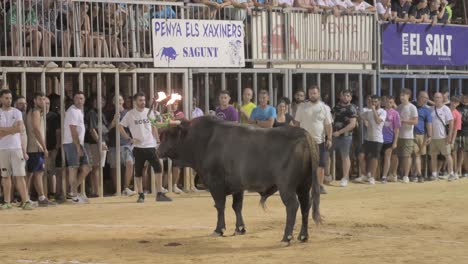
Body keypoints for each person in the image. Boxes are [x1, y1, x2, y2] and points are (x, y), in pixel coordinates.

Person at [119, 92, 172, 202]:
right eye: (140, 100)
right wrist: (129, 138)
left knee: (158, 168)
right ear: (135, 102)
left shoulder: (149, 112)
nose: (143, 102)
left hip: (150, 145)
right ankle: (141, 194)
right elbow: (120, 126)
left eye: (144, 100)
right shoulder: (130, 114)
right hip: (138, 147)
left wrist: (157, 140)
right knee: (138, 171)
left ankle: (159, 193)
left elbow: (153, 127)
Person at [0, 89, 34, 210]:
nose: (8, 100)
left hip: (16, 148)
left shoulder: (17, 112)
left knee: (20, 175)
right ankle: (7, 202)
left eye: (10, 98)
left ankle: (25, 202)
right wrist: (11, 129)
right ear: (1, 99)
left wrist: (5, 130)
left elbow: (19, 129)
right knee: (5, 176)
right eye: (6, 98)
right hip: (3, 148)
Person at [295, 85, 332, 193]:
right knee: (303, 165)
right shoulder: (302, 107)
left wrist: (329, 138)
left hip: (319, 141)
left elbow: (328, 125)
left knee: (320, 165)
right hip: (304, 141)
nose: (312, 95)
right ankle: (303, 186)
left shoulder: (324, 108)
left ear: (318, 94)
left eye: (314, 93)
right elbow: (296, 123)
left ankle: (319, 186)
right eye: (310, 93)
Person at [25, 92, 56, 206]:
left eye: (44, 99)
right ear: (35, 100)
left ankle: (30, 197)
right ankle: (35, 198)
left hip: (33, 147)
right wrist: (44, 147)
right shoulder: (36, 111)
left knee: (33, 173)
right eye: (40, 99)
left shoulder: (34, 111)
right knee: (37, 172)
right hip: (35, 147)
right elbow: (37, 130)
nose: (43, 101)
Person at [63, 91, 91, 203]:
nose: (80, 100)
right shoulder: (73, 111)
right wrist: (78, 146)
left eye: (81, 98)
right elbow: (73, 129)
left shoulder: (78, 111)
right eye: (77, 98)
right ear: (74, 100)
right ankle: (74, 196)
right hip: (72, 143)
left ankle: (72, 192)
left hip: (78, 143)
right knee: (73, 168)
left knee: (86, 168)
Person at [107, 94, 136, 196]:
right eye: (116, 100)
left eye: (120, 100)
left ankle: (126, 188)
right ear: (113, 102)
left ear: (123, 101)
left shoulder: (128, 113)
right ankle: (117, 190)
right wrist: (113, 121)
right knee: (114, 167)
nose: (118, 102)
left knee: (129, 163)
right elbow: (106, 129)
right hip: (113, 144)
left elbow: (133, 127)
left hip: (126, 143)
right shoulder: (109, 113)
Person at [330, 90, 357, 187]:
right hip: (333, 136)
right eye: (344, 96)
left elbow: (352, 124)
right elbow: (329, 118)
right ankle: (326, 175)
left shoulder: (352, 108)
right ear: (341, 97)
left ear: (350, 97)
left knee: (345, 157)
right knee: (326, 153)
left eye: (348, 96)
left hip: (346, 136)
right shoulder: (336, 107)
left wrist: (339, 132)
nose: (346, 97)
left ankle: (345, 178)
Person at [84, 96, 109, 197]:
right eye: (97, 100)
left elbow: (104, 129)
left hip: (100, 142)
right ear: (93, 102)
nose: (100, 102)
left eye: (102, 100)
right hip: (95, 143)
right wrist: (100, 142)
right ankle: (96, 191)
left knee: (97, 167)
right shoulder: (92, 113)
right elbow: (92, 130)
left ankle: (96, 190)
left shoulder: (101, 113)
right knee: (95, 168)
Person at [359, 95, 386, 185]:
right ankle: (364, 174)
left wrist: (374, 110)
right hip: (368, 138)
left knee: (374, 158)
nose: (373, 103)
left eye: (375, 101)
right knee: (361, 155)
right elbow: (360, 116)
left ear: (379, 102)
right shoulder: (368, 112)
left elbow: (378, 121)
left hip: (377, 139)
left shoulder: (383, 112)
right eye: (372, 102)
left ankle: (372, 177)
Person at [430, 92, 455, 181]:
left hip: (443, 137)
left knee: (447, 155)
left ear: (442, 99)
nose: (437, 99)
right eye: (435, 97)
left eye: (438, 97)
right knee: (433, 156)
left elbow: (451, 122)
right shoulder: (431, 109)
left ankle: (451, 173)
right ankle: (434, 174)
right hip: (433, 138)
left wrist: (449, 135)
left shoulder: (446, 109)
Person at [411, 91, 432, 182]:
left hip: (422, 135)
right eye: (425, 97)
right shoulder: (411, 106)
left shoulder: (426, 110)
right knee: (416, 155)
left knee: (419, 155)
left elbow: (429, 123)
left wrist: (430, 136)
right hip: (411, 134)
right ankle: (419, 175)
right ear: (419, 97)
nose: (426, 99)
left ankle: (414, 174)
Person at [381, 96, 400, 183]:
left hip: (389, 138)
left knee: (387, 156)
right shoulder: (381, 111)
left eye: (391, 102)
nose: (388, 104)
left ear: (393, 103)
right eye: (387, 102)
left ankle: (384, 176)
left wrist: (395, 141)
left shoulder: (395, 113)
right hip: (379, 138)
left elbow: (396, 129)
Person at [456, 93, 468, 178]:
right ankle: (460, 170)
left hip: (466, 131)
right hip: (459, 133)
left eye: (466, 97)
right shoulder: (458, 107)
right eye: (463, 97)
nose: (464, 98)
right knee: (460, 152)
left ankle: (466, 170)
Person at [449, 96, 462, 178]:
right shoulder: (446, 110)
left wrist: (452, 141)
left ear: (458, 104)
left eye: (456, 102)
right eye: (453, 101)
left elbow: (456, 129)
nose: (454, 103)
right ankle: (450, 171)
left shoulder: (457, 114)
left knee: (454, 154)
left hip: (454, 136)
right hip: (444, 135)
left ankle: (455, 172)